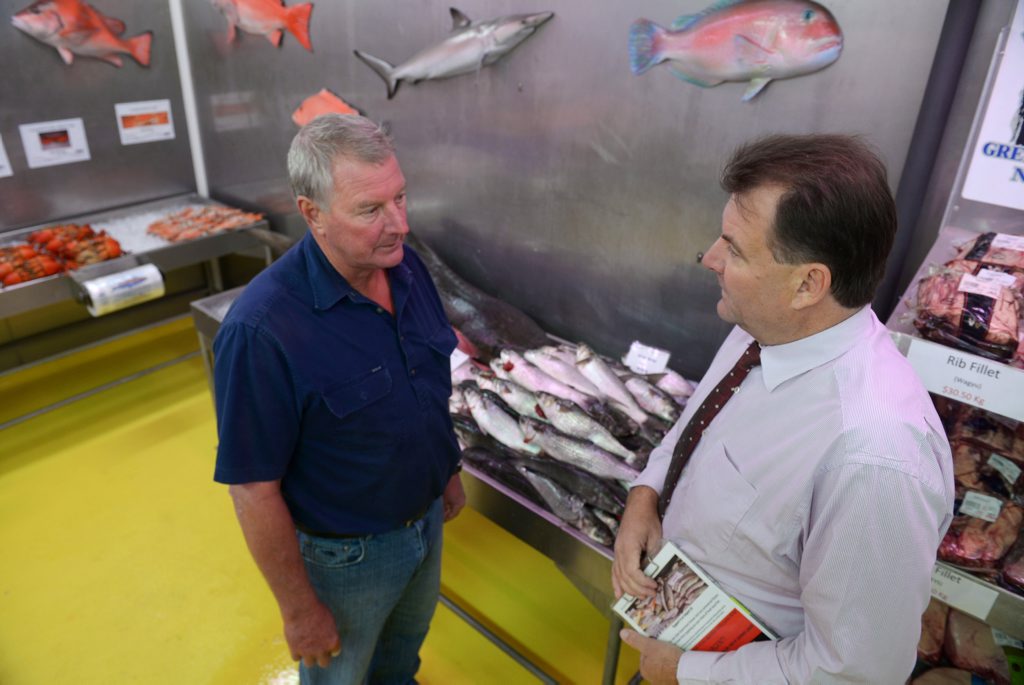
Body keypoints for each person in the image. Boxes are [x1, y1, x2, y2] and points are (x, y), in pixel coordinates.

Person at [612, 134, 954, 684]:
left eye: (736, 249)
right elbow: (696, 427)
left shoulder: (874, 458)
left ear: (808, 284)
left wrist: (687, 673)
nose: (710, 258)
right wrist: (646, 495)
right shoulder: (764, 326)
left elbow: (854, 672)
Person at [212, 114, 465, 684]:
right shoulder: (263, 331)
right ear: (312, 214)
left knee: (401, 659)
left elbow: (425, 381)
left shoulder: (404, 265)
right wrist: (299, 609)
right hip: (347, 560)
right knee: (341, 675)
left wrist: (444, 470)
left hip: (425, 522)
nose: (398, 223)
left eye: (400, 197)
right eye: (370, 210)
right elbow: (253, 490)